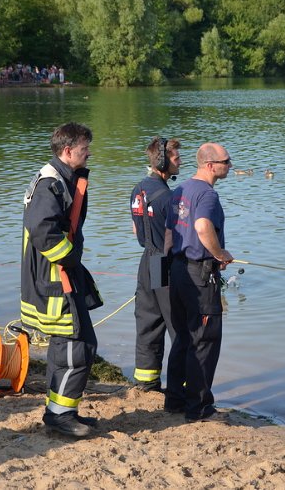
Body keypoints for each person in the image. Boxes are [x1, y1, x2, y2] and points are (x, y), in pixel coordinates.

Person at [20, 122, 100, 438]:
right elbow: (41, 229)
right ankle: (60, 415)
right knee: (77, 344)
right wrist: (69, 259)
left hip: (59, 274)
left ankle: (60, 410)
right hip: (54, 278)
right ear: (68, 151)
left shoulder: (60, 179)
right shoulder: (50, 184)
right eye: (84, 148)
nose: (89, 152)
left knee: (64, 344)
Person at [163, 142, 234, 422]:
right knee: (204, 340)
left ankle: (175, 400)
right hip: (200, 273)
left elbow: (170, 232)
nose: (230, 165)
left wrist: (170, 265)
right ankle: (199, 408)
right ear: (210, 165)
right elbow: (202, 226)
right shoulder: (207, 194)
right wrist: (220, 254)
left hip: (179, 271)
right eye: (226, 161)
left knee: (183, 336)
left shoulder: (180, 190)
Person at [129, 137, 183, 391]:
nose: (179, 161)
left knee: (148, 322)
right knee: (179, 326)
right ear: (162, 161)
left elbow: (134, 229)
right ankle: (180, 385)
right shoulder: (168, 197)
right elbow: (177, 237)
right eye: (176, 158)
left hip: (148, 262)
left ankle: (146, 382)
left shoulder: (138, 189)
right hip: (167, 263)